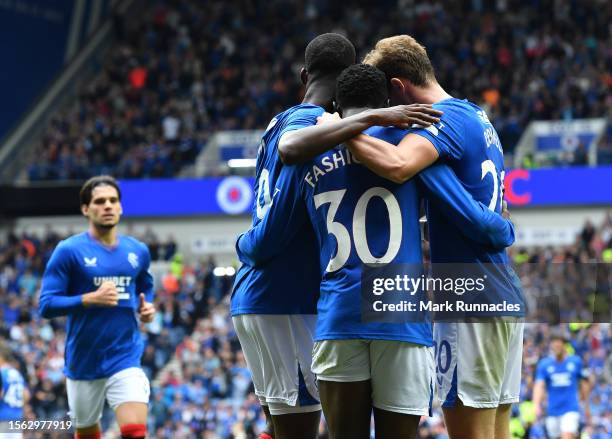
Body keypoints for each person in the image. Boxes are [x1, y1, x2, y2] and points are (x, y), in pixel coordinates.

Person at [239, 64, 515, 439]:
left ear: (336, 104)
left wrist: (244, 245)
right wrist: (505, 227)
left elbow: (275, 232)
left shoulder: (311, 153)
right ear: (387, 102)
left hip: (340, 317)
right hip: (399, 318)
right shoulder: (404, 151)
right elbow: (475, 217)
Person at [232, 33, 442, 439]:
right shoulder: (330, 131)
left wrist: (244, 245)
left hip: (293, 300)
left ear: (304, 74)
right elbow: (274, 228)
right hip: (287, 299)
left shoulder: (291, 126)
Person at [39, 175, 155, 439]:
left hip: (124, 356)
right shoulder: (68, 250)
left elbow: (145, 285)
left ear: (121, 207)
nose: (108, 206)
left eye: (113, 201)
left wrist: (147, 306)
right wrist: (87, 299)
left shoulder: (138, 251)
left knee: (135, 431)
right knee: (88, 432)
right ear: (85, 209)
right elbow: (46, 305)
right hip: (84, 362)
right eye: (100, 201)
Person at [533, 333, 591, 439]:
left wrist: (585, 402)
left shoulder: (575, 362)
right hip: (552, 410)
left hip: (570, 408)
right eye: (554, 344)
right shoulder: (544, 364)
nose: (556, 347)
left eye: (559, 344)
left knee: (567, 435)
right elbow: (539, 385)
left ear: (565, 345)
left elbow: (584, 383)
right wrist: (536, 405)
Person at [0, 344, 28, 439]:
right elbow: (26, 395)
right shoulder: (17, 373)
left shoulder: (1, 373)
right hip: (16, 418)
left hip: (2, 417)